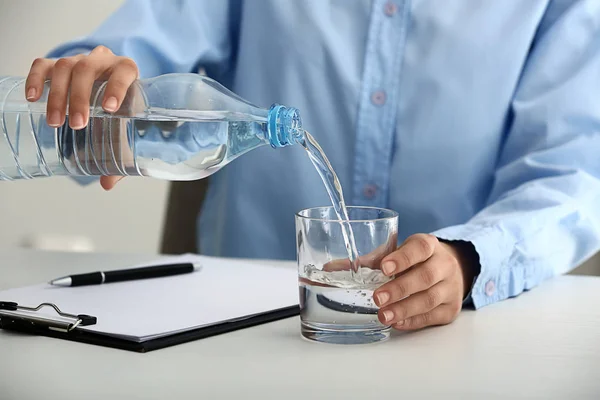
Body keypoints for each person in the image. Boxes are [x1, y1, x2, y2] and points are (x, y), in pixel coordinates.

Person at [25, 0, 600, 331]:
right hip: (237, 332)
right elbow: (144, 42)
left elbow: (574, 174)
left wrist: (469, 257)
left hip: (463, 339)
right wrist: (89, 86)